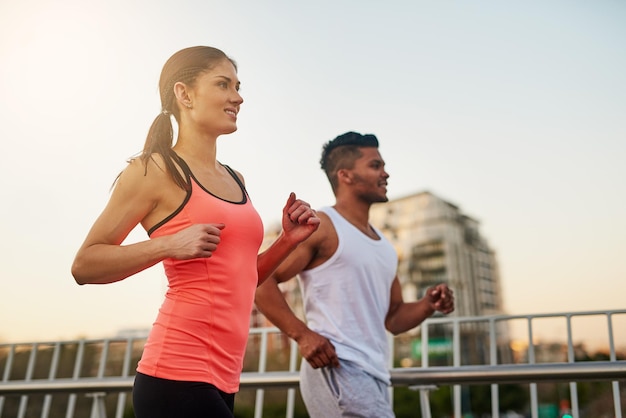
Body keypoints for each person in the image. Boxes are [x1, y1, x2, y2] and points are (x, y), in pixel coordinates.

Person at [71, 46, 320, 418]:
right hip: (175, 373)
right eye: (223, 84)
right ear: (184, 94)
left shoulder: (236, 179)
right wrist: (169, 244)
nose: (238, 97)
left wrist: (286, 241)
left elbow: (241, 278)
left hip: (224, 378)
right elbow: (85, 265)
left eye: (238, 86)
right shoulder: (153, 169)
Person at [254, 131, 455, 417]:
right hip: (338, 368)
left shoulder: (384, 246)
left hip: (375, 375)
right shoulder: (322, 225)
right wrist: (303, 335)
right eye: (375, 166)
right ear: (345, 175)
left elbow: (394, 318)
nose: (385, 174)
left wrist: (427, 305)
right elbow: (260, 281)